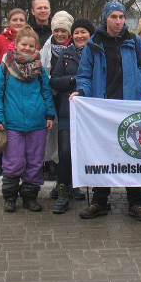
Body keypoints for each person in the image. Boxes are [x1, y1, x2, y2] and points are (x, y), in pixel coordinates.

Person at [71, 1, 141, 221]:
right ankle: (99, 201)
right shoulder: (93, 43)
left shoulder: (135, 42)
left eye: (121, 17)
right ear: (105, 18)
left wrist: (138, 79)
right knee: (102, 154)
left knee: (133, 155)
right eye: (113, 17)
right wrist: (81, 92)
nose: (118, 21)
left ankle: (135, 202)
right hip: (103, 110)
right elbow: (84, 74)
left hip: (129, 107)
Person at [0, 26, 55, 212]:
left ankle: (30, 197)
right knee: (13, 162)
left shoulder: (39, 70)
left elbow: (46, 93)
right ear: (16, 45)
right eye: (23, 44)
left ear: (36, 47)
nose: (27, 48)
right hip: (12, 124)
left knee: (35, 162)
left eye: (31, 45)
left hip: (37, 124)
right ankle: (10, 197)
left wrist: (49, 114)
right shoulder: (4, 69)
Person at [49, 19, 95, 214]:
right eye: (76, 32)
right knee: (65, 151)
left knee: (83, 152)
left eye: (83, 32)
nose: (79, 36)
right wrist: (73, 80)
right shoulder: (65, 54)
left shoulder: (96, 54)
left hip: (90, 113)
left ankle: (77, 184)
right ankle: (63, 191)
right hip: (67, 110)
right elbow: (55, 81)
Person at [0, 8, 27, 176]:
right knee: (3, 135)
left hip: (20, 97)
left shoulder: (30, 40)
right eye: (14, 19)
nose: (18, 23)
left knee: (20, 137)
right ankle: (3, 172)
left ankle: (21, 171)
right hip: (1, 95)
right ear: (9, 21)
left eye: (21, 20)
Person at [39, 10, 74, 199]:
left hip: (68, 100)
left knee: (67, 144)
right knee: (53, 140)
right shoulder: (45, 50)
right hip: (50, 98)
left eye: (64, 31)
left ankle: (68, 182)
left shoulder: (75, 49)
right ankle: (57, 177)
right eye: (57, 31)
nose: (60, 35)